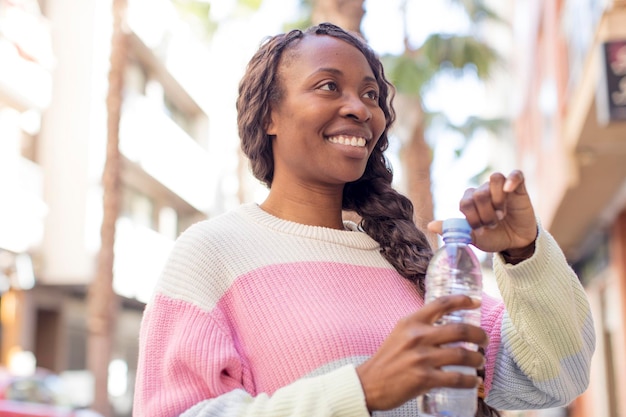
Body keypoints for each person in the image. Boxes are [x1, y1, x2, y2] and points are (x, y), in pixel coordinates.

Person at [132, 22, 595, 417]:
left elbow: (556, 374)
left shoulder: (413, 262)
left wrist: (525, 251)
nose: (360, 108)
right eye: (329, 85)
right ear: (270, 114)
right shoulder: (211, 255)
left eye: (370, 94)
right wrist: (360, 390)